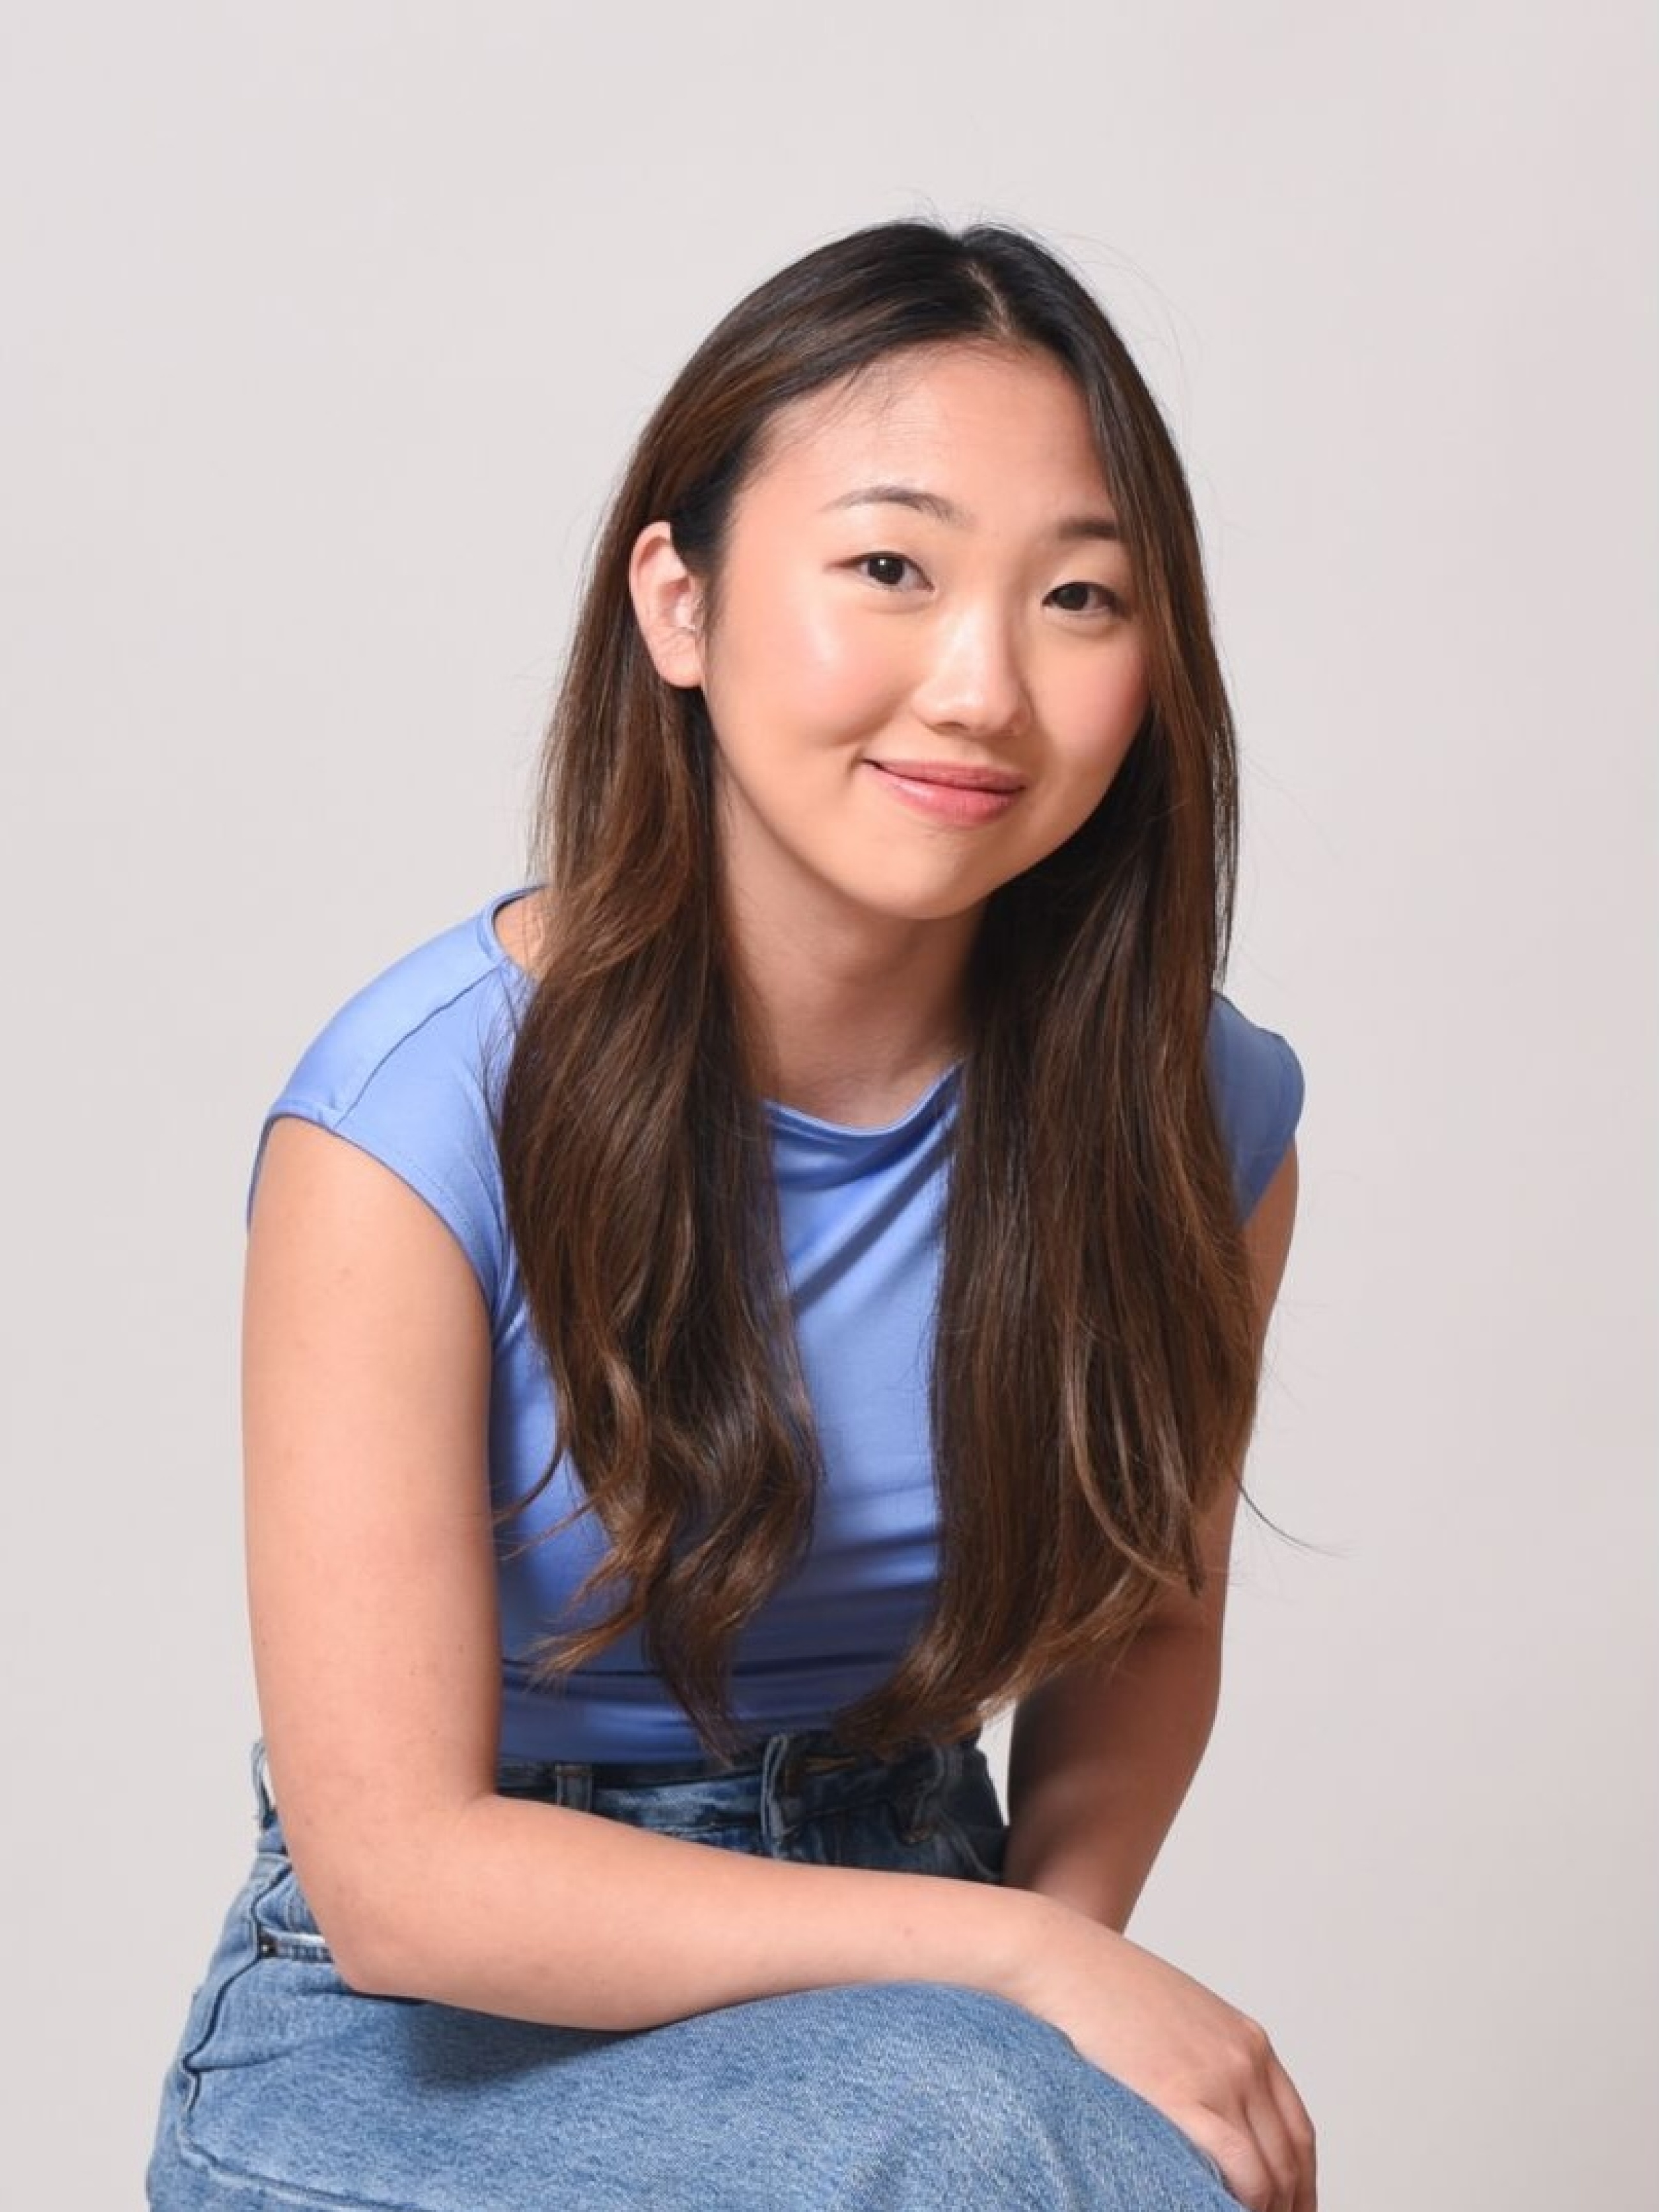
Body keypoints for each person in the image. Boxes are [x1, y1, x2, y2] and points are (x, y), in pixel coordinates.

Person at [146, 218, 1315, 2212]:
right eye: (892, 569)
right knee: (998, 2142)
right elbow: (402, 1878)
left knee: (1111, 2149)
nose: (983, 685)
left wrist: (1060, 1969)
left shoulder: (1193, 1113)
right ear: (677, 604)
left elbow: (1149, 1621)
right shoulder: (413, 1121)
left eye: (1079, 596)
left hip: (918, 1949)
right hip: (420, 2047)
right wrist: (1022, 1979)